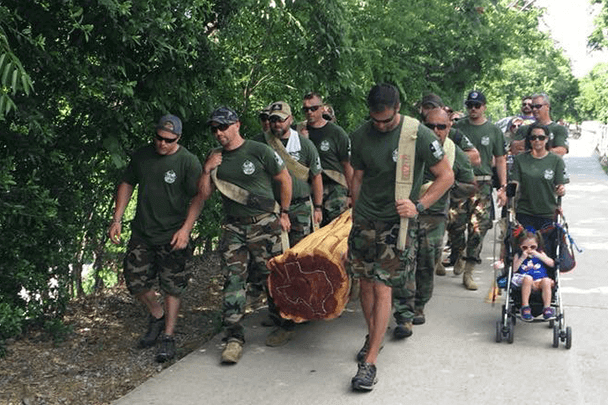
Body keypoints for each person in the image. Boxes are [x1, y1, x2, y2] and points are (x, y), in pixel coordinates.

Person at [348, 84, 453, 391]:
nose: (380, 126)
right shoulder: (360, 135)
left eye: (386, 120)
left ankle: (369, 362)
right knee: (365, 283)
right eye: (375, 120)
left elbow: (446, 176)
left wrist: (419, 205)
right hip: (364, 222)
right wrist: (353, 213)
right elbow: (358, 176)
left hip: (397, 224)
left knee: (381, 286)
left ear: (397, 108)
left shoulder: (417, 134)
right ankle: (373, 336)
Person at [181, 106, 293, 364]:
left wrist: (284, 212)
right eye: (214, 129)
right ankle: (234, 337)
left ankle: (284, 323)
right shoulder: (215, 156)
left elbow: (284, 179)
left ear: (237, 125)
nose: (218, 132)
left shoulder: (259, 150)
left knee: (272, 276)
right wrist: (207, 168)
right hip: (233, 228)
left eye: (223, 127)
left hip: (264, 224)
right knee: (233, 278)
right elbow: (203, 194)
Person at [108, 114, 202, 363]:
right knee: (135, 281)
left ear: (178, 138)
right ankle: (157, 315)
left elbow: (199, 197)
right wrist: (117, 218)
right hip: (143, 232)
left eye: (168, 140)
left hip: (173, 234)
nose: (162, 143)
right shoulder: (143, 155)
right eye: (158, 138)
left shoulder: (188, 162)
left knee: (172, 286)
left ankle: (168, 337)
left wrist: (186, 229)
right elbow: (127, 183)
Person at [398, 108, 475, 325]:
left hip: (435, 218)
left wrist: (443, 187)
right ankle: (403, 312)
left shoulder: (454, 153)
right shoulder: (410, 149)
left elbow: (471, 186)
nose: (435, 131)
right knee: (403, 261)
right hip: (406, 214)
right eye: (430, 126)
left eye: (441, 126)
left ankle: (418, 306)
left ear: (449, 127)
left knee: (426, 262)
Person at [450, 90, 507, 290]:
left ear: (484, 107)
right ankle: (457, 253)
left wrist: (503, 186)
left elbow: (500, 159)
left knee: (478, 227)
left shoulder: (493, 131)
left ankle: (469, 271)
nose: (473, 109)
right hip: (461, 183)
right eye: (470, 105)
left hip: (483, 183)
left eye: (477, 105)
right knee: (455, 224)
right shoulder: (457, 128)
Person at [255, 101, 323, 246]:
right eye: (273, 120)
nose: (276, 124)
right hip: (270, 208)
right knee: (274, 255)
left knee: (301, 251)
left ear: (290, 119)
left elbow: (316, 176)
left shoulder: (304, 144)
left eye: (281, 119)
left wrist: (318, 208)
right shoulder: (259, 143)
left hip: (300, 207)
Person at [510, 122, 567, 256]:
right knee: (523, 251)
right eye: (533, 137)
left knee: (545, 252)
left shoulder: (556, 161)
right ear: (529, 140)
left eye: (541, 137)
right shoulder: (520, 159)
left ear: (547, 139)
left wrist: (561, 189)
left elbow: (560, 185)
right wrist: (506, 191)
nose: (537, 140)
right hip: (524, 212)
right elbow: (515, 182)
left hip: (547, 213)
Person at [302, 92, 354, 226]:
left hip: (334, 188)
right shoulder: (298, 131)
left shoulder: (336, 133)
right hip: (309, 188)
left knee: (336, 231)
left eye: (313, 108)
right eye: (305, 109)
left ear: (321, 108)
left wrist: (351, 194)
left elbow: (347, 165)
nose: (309, 112)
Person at [511, 230, 555, 320]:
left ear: (537, 246)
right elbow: (514, 269)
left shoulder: (540, 253)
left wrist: (538, 255)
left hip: (540, 280)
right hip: (525, 281)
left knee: (546, 280)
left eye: (533, 247)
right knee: (528, 278)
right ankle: (525, 307)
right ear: (520, 247)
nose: (529, 250)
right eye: (525, 247)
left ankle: (547, 307)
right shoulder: (518, 255)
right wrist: (522, 257)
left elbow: (552, 264)